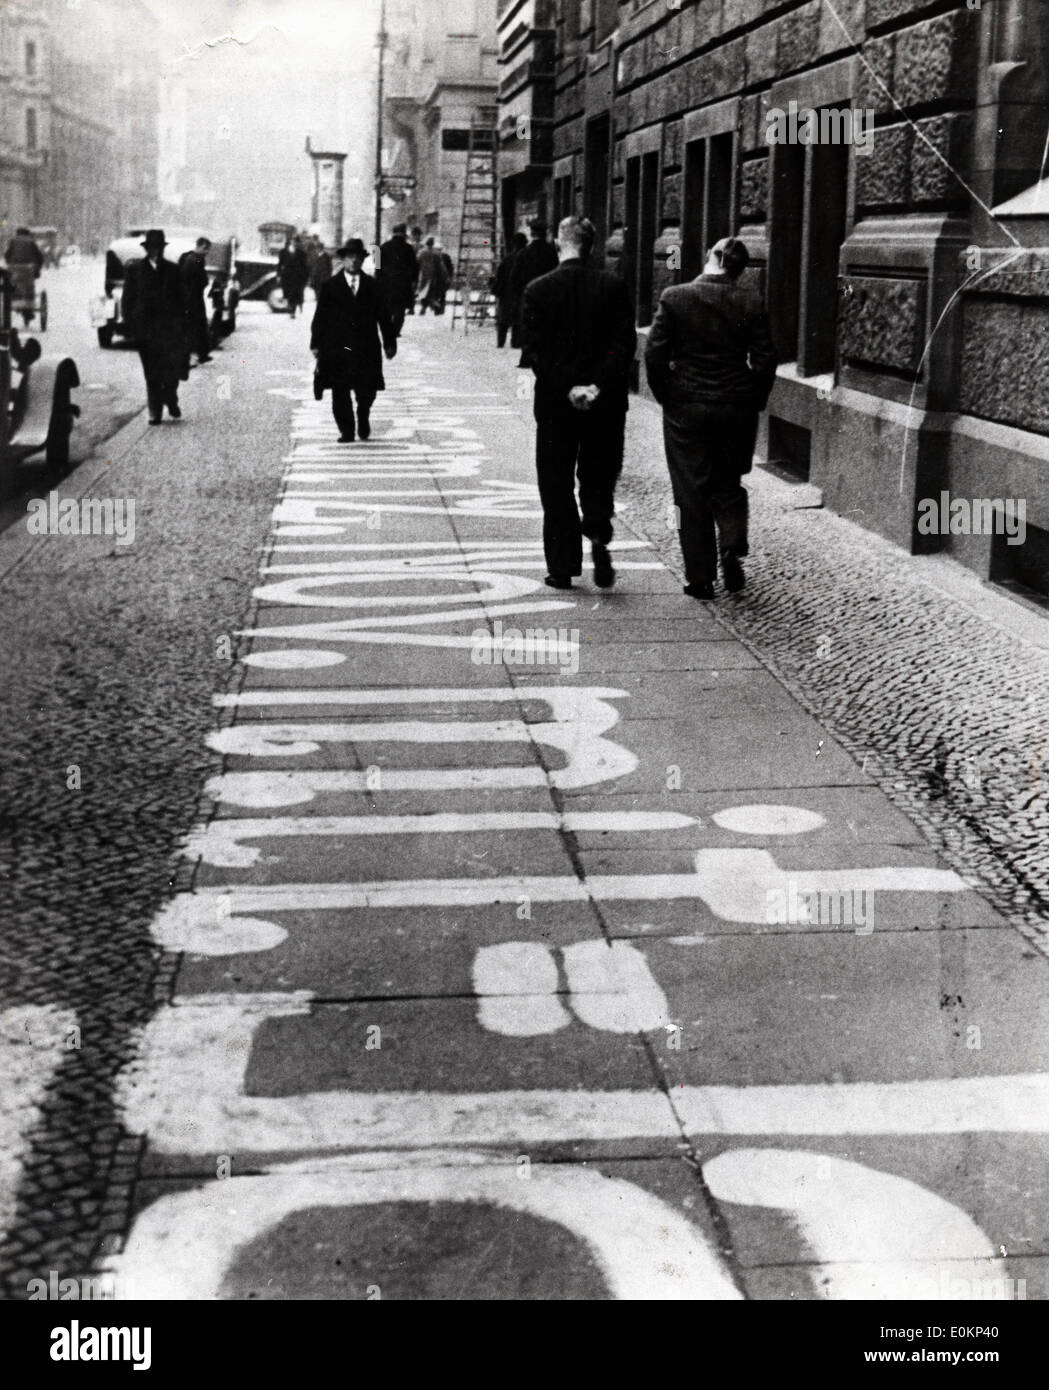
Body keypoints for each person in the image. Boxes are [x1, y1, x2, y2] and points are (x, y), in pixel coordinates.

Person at [644, 235, 778, 599]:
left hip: (686, 406)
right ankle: (732, 544)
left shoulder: (676, 297)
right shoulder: (750, 301)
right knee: (729, 481)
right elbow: (766, 359)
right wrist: (753, 399)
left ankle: (700, 577)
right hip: (735, 407)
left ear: (714, 257)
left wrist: (668, 397)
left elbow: (654, 355)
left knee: (690, 490)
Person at [520, 216, 637, 590]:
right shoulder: (614, 286)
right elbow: (624, 346)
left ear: (559, 243)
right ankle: (598, 529)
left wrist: (570, 386)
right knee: (599, 474)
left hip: (556, 405)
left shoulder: (538, 290)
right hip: (604, 405)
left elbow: (535, 354)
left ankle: (562, 565)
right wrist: (596, 385)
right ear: (591, 245)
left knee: (555, 482)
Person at [311, 236, 397, 443]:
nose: (354, 261)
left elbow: (384, 317)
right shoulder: (330, 286)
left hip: (366, 346)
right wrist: (316, 343)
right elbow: (320, 317)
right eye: (350, 258)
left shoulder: (373, 286)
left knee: (367, 390)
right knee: (340, 390)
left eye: (358, 258)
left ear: (362, 260)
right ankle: (347, 431)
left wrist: (389, 342)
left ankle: (363, 414)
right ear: (343, 260)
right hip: (337, 347)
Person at [121, 230, 189, 425]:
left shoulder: (173, 270)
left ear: (162, 249)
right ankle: (154, 411)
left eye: (157, 248)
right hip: (145, 330)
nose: (154, 252)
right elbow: (128, 298)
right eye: (151, 248)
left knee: (170, 372)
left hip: (169, 330)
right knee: (151, 372)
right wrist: (130, 324)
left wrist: (183, 324)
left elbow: (182, 298)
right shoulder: (135, 270)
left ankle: (171, 398)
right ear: (146, 249)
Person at [509, 217, 558, 347]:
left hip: (528, 296)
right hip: (548, 297)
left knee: (529, 326)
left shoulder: (523, 253)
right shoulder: (553, 253)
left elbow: (514, 278)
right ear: (545, 233)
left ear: (531, 233)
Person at [377, 223, 418, 339]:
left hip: (386, 283)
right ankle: (395, 331)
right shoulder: (409, 248)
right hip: (403, 283)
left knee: (387, 307)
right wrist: (414, 280)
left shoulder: (382, 247)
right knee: (400, 308)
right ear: (404, 234)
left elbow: (377, 267)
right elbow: (414, 267)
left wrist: (378, 281)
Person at [178, 235, 212, 364]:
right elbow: (199, 280)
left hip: (188, 297)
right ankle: (200, 354)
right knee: (196, 327)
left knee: (193, 327)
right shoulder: (197, 260)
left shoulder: (188, 257)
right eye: (206, 249)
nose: (207, 252)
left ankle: (199, 354)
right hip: (193, 298)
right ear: (201, 247)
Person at [491, 231, 527, 348]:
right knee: (517, 321)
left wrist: (497, 289)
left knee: (503, 321)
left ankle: (500, 343)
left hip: (506, 295)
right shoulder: (527, 258)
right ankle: (515, 343)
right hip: (520, 294)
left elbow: (499, 276)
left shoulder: (507, 259)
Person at [415, 236, 449, 315]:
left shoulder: (421, 252)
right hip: (434, 276)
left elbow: (417, 263)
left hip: (423, 276)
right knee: (431, 293)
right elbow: (440, 266)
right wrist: (445, 276)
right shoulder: (436, 253)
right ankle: (434, 305)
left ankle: (431, 306)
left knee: (423, 293)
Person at [278, 234, 310, 318]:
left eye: (296, 241)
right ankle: (290, 307)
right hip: (287, 276)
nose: (294, 243)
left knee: (294, 294)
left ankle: (292, 311)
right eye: (293, 241)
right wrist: (278, 275)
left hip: (297, 277)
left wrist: (305, 278)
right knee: (288, 294)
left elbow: (305, 266)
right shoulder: (283, 252)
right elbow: (280, 264)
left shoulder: (302, 253)